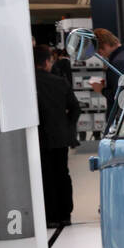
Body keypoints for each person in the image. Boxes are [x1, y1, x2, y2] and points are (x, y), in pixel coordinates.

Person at [33, 45, 81, 227]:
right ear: (47, 62)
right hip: (60, 137)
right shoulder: (60, 82)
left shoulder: (27, 84)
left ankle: (49, 216)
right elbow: (76, 108)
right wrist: (67, 127)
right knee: (62, 173)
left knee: (45, 176)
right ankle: (65, 214)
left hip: (38, 138)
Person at [87, 28, 124, 111]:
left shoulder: (118, 63)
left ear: (105, 45)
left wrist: (101, 89)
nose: (101, 55)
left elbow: (119, 97)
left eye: (99, 51)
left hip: (121, 116)